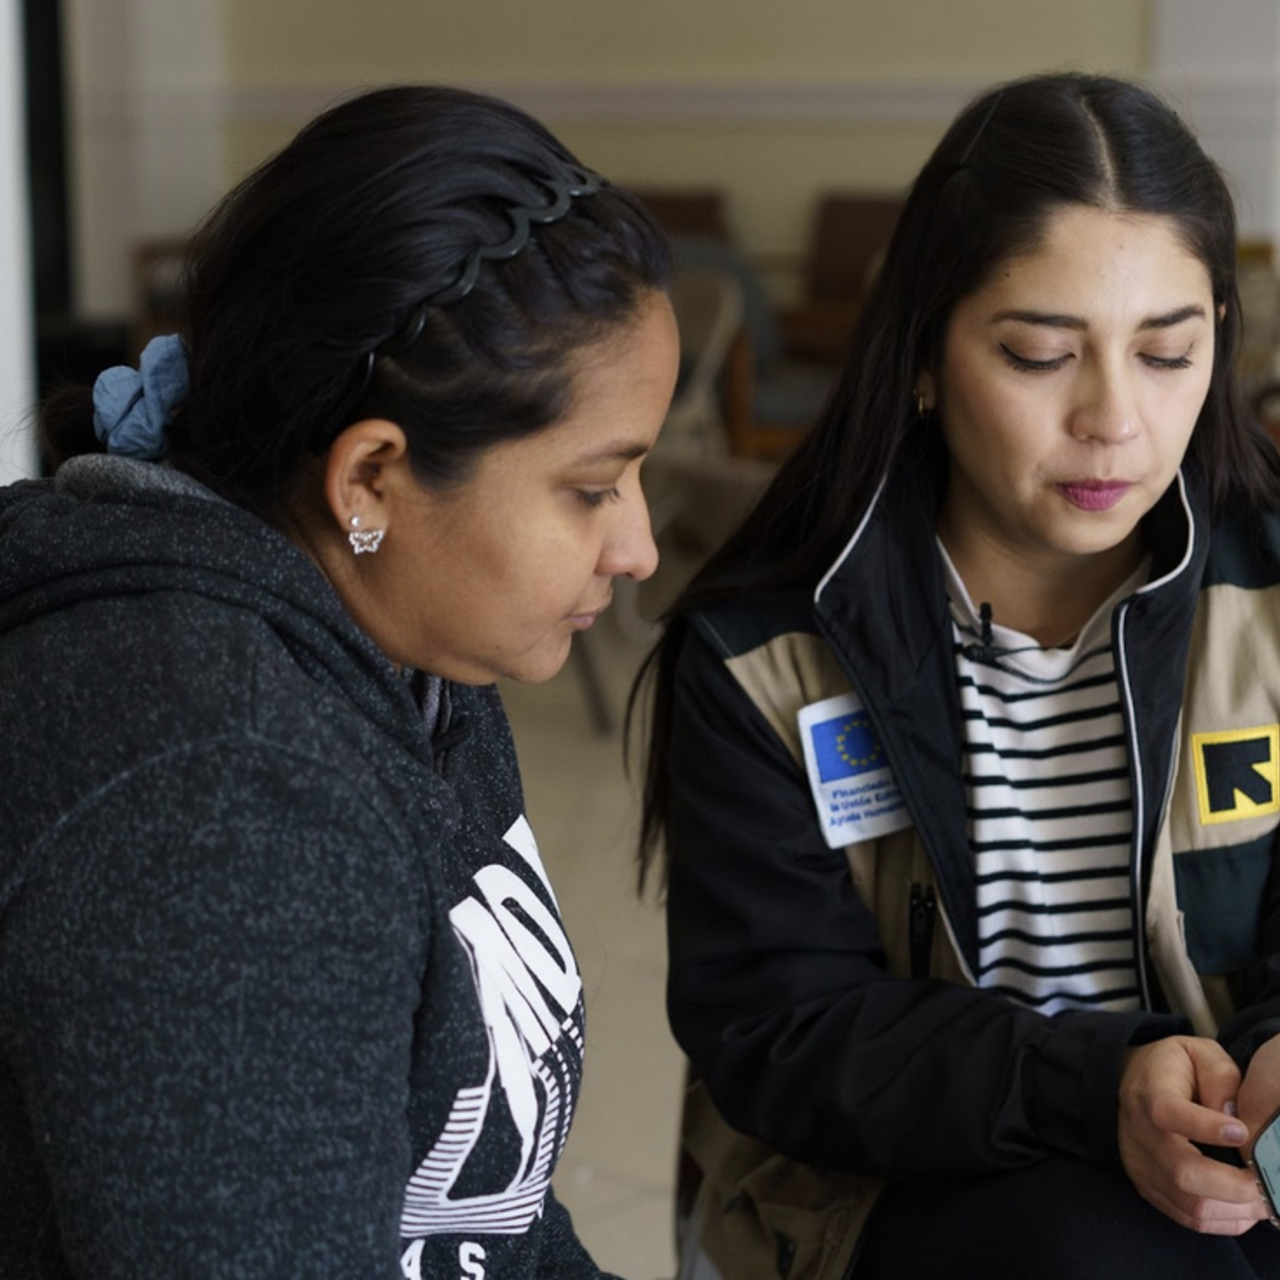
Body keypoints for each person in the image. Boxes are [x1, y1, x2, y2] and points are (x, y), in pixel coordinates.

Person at [0, 85, 677, 1278]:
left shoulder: (399, 637)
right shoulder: (219, 804)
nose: (637, 550)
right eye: (591, 486)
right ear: (370, 476)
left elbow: (489, 1219)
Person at [635, 72, 1280, 1279]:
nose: (1113, 420)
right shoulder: (768, 654)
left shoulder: (1267, 602)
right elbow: (781, 1026)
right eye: (1038, 355)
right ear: (922, 359)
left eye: (1165, 354)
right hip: (907, 1187)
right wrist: (1094, 1089)